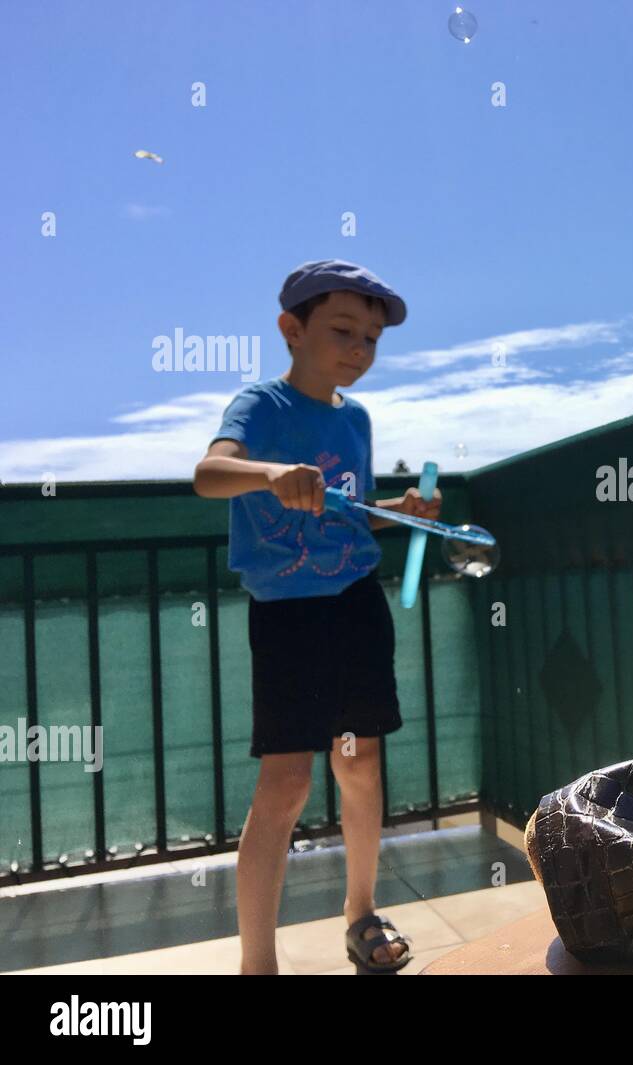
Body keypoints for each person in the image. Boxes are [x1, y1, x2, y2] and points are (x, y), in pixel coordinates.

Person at [193, 260, 440, 975]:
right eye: (343, 331)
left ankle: (360, 915)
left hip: (356, 603)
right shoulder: (260, 407)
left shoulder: (355, 419)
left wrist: (400, 511)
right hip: (289, 616)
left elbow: (348, 515)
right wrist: (268, 472)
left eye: (370, 337)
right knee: (288, 783)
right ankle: (257, 963)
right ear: (291, 330)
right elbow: (208, 475)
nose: (359, 349)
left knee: (360, 765)